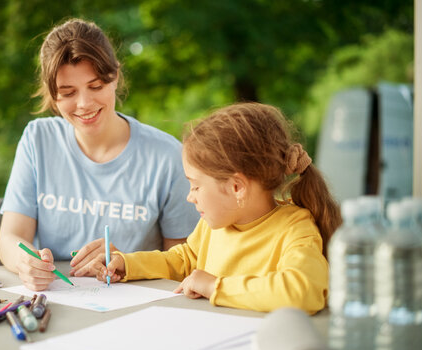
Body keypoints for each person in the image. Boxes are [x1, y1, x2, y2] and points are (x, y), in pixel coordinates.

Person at [0, 18, 199, 291]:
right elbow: (11, 237)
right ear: (52, 95)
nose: (84, 104)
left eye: (95, 87)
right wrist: (26, 262)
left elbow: (185, 263)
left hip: (138, 307)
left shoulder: (168, 156)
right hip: (57, 300)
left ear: (115, 77)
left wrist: (126, 262)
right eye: (68, 93)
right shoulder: (38, 139)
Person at [98, 102, 342, 314]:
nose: (190, 197)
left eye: (195, 186)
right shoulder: (213, 225)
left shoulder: (295, 227)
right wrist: (128, 264)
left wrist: (216, 287)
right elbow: (182, 260)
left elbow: (303, 291)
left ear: (237, 187)